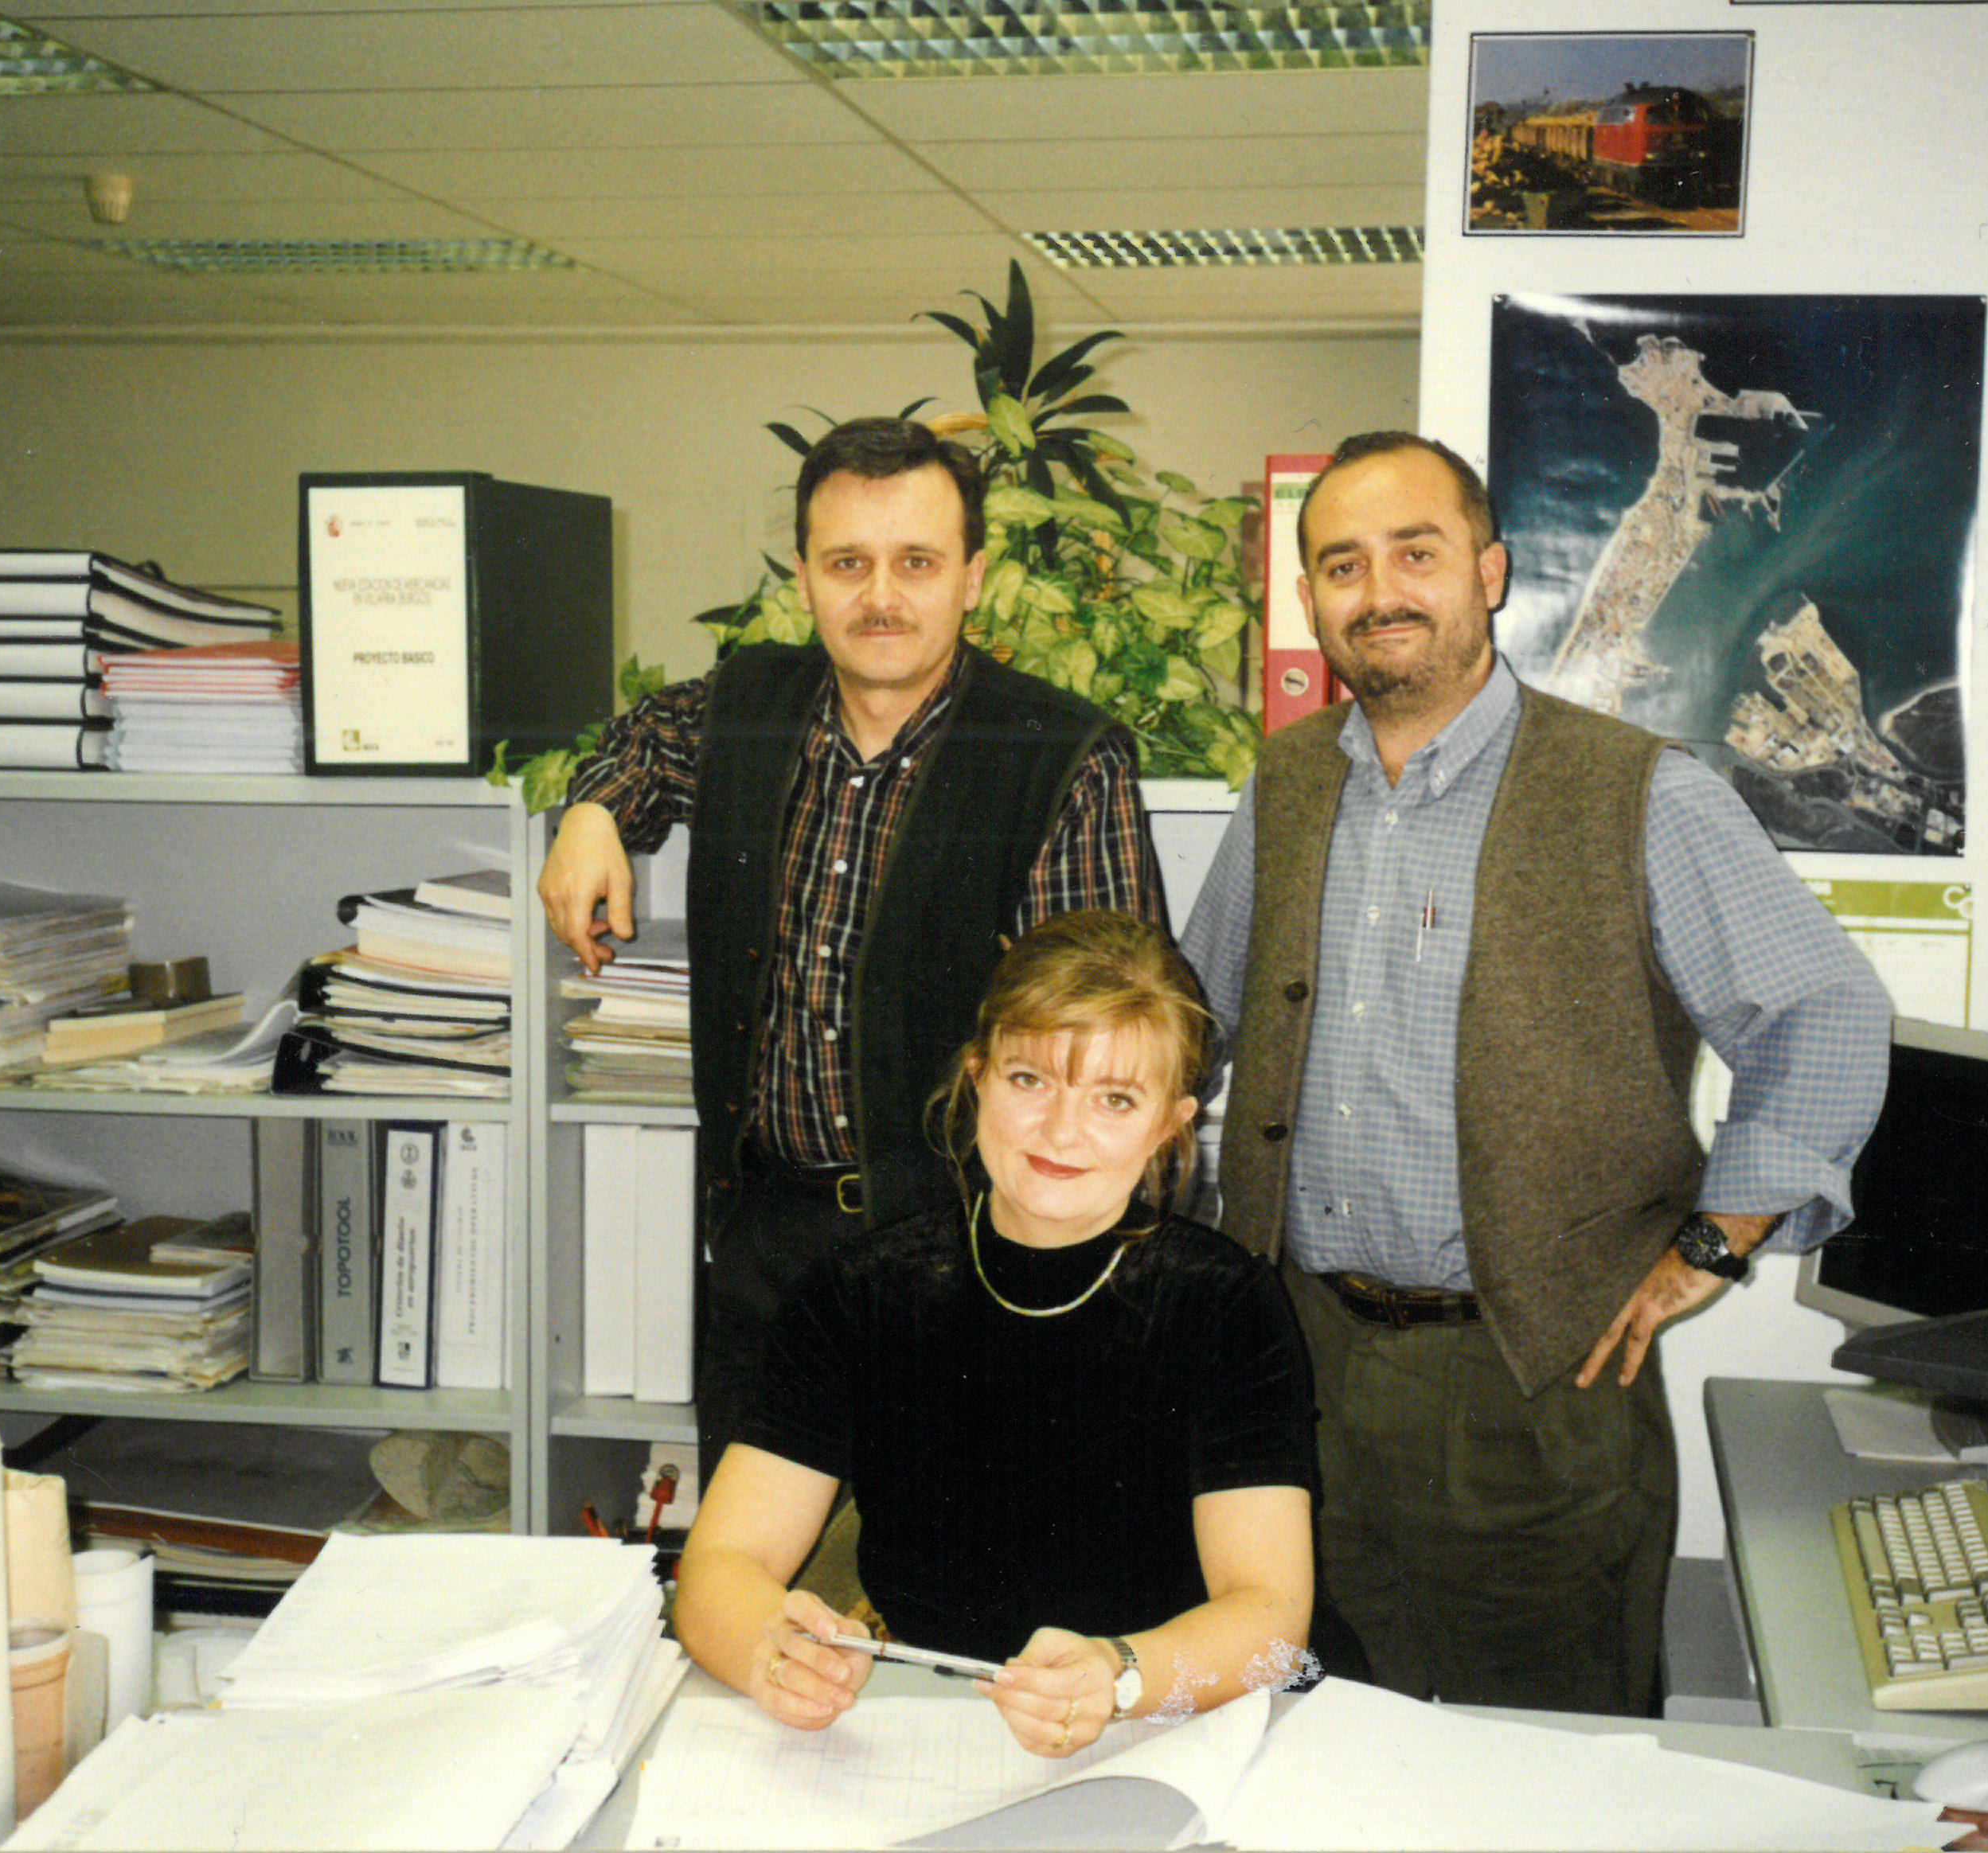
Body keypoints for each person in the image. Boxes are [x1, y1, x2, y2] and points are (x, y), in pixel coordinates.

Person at [1179, 430, 1891, 1717]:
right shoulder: (1284, 784)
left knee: (1536, 1766)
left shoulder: (1640, 792)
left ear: (1491, 572)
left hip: (1533, 1393)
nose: (1378, 588)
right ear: (1311, 599)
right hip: (1294, 1371)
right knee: (1307, 1745)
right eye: (1341, 562)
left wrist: (1716, 1242)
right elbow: (1197, 1015)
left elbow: (1827, 1010)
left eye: (1416, 551)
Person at [537, 417, 1166, 1479]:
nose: (881, 596)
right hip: (762, 1258)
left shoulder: (1060, 756)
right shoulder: (748, 709)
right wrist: (593, 811)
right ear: (805, 575)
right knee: (757, 1598)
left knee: (957, 1601)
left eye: (917, 562)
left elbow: (1112, 1051)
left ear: (972, 577)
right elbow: (649, 735)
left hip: (971, 1263)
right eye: (848, 564)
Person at [670, 911, 1314, 1757]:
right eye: (1029, 1080)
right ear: (975, 1078)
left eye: (1114, 1098)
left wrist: (1120, 1677)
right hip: (934, 1730)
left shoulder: (1226, 1305)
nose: (1060, 1130)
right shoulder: (860, 1291)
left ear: (1170, 1124)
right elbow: (717, 1570)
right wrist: (767, 1648)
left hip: (1172, 1725)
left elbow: (1272, 1630)